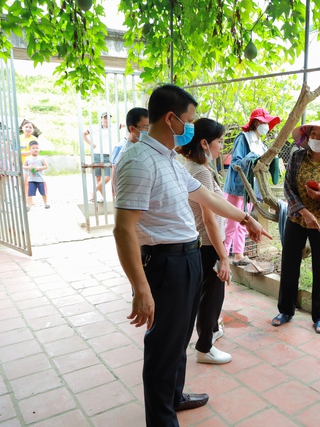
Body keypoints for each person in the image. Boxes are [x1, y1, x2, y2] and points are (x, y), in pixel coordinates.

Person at [113, 84, 270, 427]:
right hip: (164, 262)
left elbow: (205, 198)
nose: (191, 126)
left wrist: (246, 218)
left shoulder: (168, 159)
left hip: (187, 259)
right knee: (163, 346)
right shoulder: (138, 160)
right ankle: (161, 419)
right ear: (170, 119)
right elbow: (123, 229)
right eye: (188, 119)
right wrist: (140, 289)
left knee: (180, 338)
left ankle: (175, 396)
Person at [271, 119, 320, 334]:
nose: (316, 138)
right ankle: (285, 310)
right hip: (297, 219)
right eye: (313, 134)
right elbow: (288, 188)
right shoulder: (297, 158)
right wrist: (304, 212)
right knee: (289, 265)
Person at [178, 118, 232, 365]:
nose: (221, 146)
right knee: (212, 297)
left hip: (201, 244)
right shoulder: (200, 172)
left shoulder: (192, 166)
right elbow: (209, 220)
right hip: (208, 245)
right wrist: (223, 256)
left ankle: (210, 331)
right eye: (219, 141)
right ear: (204, 143)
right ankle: (204, 348)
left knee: (207, 295)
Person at [223, 108, 280, 266]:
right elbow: (236, 163)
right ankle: (221, 255)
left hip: (250, 190)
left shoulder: (260, 144)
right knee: (232, 223)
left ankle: (238, 255)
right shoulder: (243, 138)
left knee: (244, 221)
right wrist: (252, 159)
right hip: (237, 188)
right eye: (265, 122)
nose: (267, 126)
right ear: (256, 122)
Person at [84, 112, 124, 202]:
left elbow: (126, 124)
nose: (106, 119)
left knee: (108, 176)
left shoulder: (114, 126)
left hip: (109, 154)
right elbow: (84, 134)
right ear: (102, 119)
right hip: (97, 153)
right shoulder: (94, 128)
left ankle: (93, 192)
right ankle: (102, 198)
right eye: (105, 118)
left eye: (108, 118)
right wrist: (91, 144)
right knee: (98, 177)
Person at [111, 108, 149, 196]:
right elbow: (115, 172)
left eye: (150, 127)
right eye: (145, 127)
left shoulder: (145, 146)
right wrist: (115, 194)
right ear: (132, 128)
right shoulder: (122, 149)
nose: (148, 131)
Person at [23, 141, 49, 210]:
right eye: (33, 148)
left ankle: (46, 203)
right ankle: (29, 205)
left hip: (41, 179)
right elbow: (24, 166)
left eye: (37, 148)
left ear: (39, 149)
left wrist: (39, 168)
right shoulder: (27, 158)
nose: (35, 149)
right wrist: (28, 167)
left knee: (43, 192)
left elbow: (46, 166)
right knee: (30, 193)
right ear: (30, 150)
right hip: (31, 179)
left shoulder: (41, 158)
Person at [19, 120, 39, 192]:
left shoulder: (34, 139)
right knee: (20, 182)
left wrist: (19, 153)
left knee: (28, 181)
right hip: (19, 162)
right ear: (22, 128)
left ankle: (29, 199)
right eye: (26, 127)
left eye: (30, 127)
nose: (28, 129)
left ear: (33, 130)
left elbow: (33, 151)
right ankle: (25, 197)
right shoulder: (19, 138)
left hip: (30, 163)